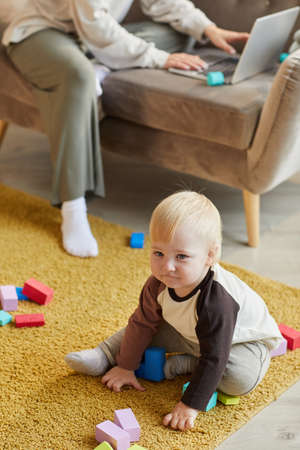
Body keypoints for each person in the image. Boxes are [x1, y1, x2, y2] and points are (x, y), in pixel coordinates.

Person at [2, 2, 249, 258]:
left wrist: (209, 28)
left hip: (88, 38)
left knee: (181, 33)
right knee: (78, 76)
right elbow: (97, 26)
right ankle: (72, 206)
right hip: (41, 32)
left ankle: (95, 62)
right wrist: (161, 58)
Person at [65, 190, 283, 431]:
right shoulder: (157, 284)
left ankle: (188, 364)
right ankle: (103, 355)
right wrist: (126, 366)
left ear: (210, 256)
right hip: (189, 330)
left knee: (239, 380)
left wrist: (190, 405)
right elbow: (142, 323)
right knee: (143, 327)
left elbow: (215, 355)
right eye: (159, 253)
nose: (167, 267)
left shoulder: (216, 302)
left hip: (239, 343)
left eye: (181, 256)